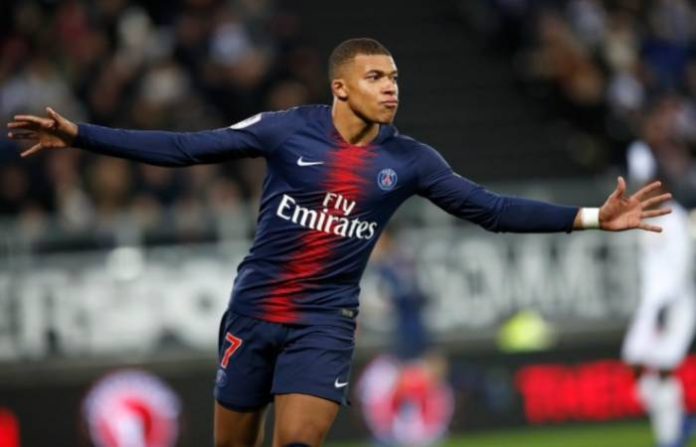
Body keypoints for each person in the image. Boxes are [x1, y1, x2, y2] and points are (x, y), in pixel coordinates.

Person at [7, 38, 672, 447]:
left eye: (396, 79)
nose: (391, 88)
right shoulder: (285, 130)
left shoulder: (410, 159)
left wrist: (591, 216)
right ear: (341, 87)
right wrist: (83, 135)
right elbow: (185, 148)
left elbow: (490, 209)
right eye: (377, 77)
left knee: (298, 441)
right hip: (252, 313)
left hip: (325, 322)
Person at [621, 103, 696, 447]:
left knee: (662, 367)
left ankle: (671, 436)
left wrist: (666, 305)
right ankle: (678, 422)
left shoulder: (675, 218)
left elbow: (681, 266)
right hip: (653, 303)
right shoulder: (639, 219)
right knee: (635, 360)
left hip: (674, 304)